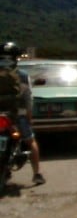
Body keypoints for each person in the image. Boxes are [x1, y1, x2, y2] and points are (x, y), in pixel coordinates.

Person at [0, 42, 45, 185]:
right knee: (30, 141)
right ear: (16, 58)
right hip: (16, 114)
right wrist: (29, 117)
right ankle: (37, 174)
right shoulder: (22, 75)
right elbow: (27, 98)